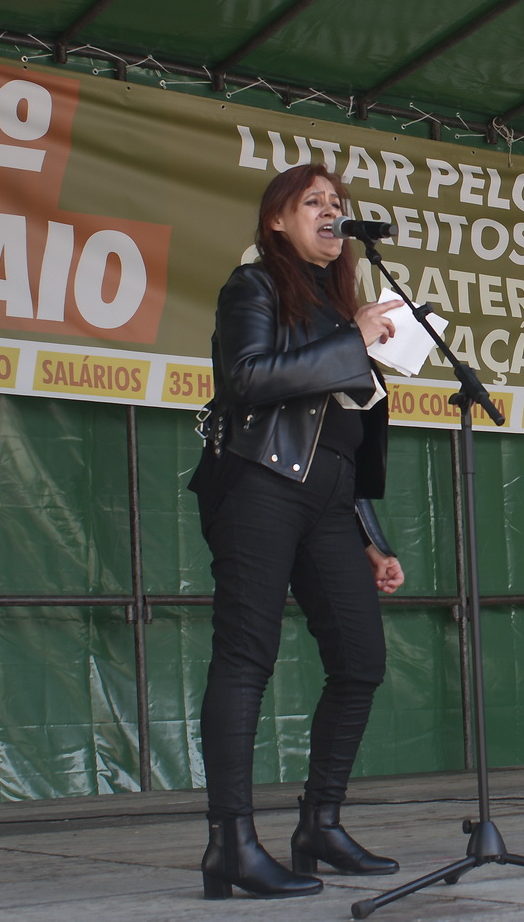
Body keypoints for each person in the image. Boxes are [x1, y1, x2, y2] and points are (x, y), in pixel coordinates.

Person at [188, 163, 406, 900]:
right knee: (245, 656)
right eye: (312, 201)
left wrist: (371, 535)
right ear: (276, 220)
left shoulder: (339, 306)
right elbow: (247, 378)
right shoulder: (252, 287)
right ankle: (231, 843)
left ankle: (320, 825)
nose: (330, 211)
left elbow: (344, 437)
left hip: (330, 503)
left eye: (337, 202)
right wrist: (352, 339)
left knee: (361, 658)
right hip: (259, 485)